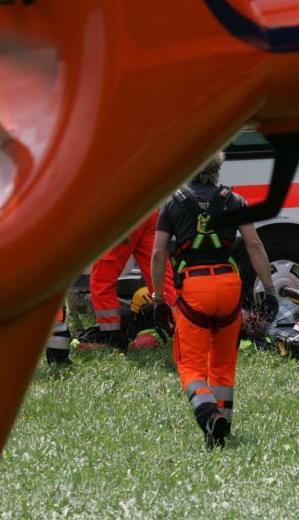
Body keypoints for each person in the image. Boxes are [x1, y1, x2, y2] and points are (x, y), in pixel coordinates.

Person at [151, 153, 278, 448]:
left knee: (190, 367)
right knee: (222, 365)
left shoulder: (172, 204)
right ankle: (221, 432)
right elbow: (254, 244)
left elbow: (158, 253)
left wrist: (159, 299)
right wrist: (270, 289)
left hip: (195, 290)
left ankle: (209, 416)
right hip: (229, 287)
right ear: (217, 169)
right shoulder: (235, 201)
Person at [86, 210, 177, 349]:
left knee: (102, 279)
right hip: (148, 209)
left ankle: (111, 336)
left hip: (123, 212)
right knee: (159, 273)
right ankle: (176, 326)